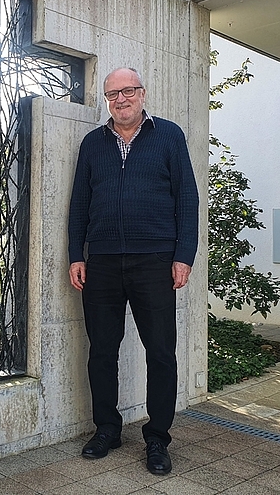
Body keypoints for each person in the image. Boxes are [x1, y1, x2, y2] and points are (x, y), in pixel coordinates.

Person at [67, 67, 198, 475]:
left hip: (155, 261)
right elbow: (79, 205)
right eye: (112, 94)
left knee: (160, 352)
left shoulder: (169, 136)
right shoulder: (93, 143)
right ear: (106, 100)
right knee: (102, 351)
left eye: (127, 92)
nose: (120, 100)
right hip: (102, 263)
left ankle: (158, 438)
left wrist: (184, 255)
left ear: (142, 93)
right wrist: (77, 254)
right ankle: (107, 428)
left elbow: (188, 199)